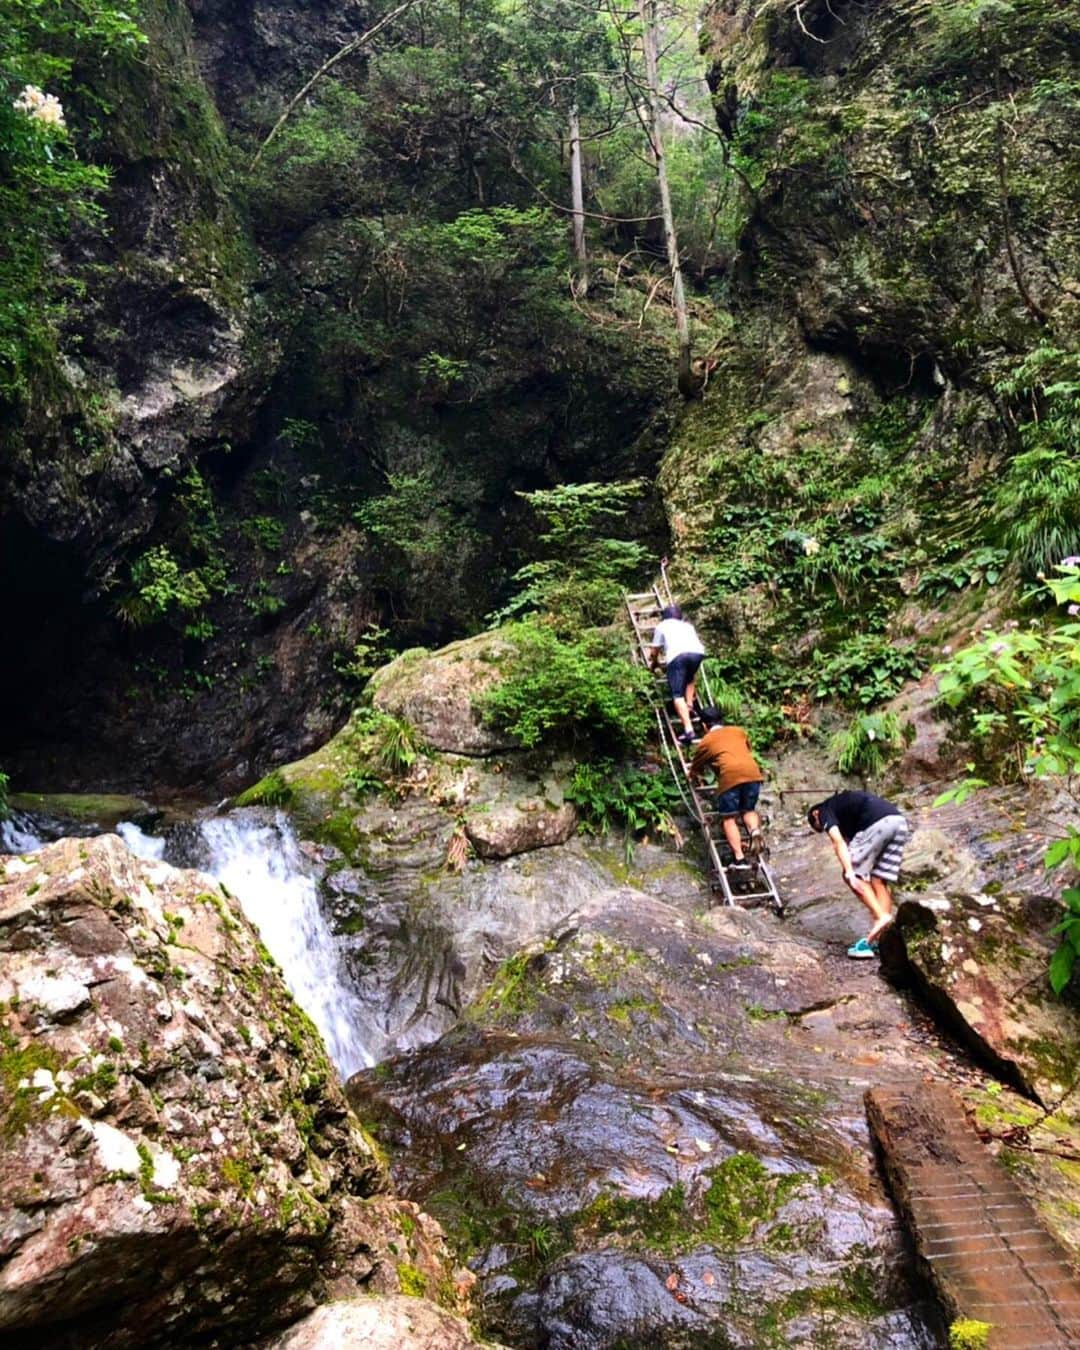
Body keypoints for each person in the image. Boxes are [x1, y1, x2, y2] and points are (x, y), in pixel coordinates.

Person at [807, 791, 911, 959]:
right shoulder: (846, 810)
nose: (824, 829)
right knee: (879, 880)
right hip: (899, 823)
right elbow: (852, 843)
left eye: (820, 827)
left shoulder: (824, 810)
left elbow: (838, 842)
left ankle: (881, 917)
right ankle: (883, 939)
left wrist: (849, 872)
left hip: (877, 824)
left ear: (815, 814)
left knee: (853, 874)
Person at [688, 709, 765, 870]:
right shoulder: (738, 731)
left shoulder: (706, 741)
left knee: (729, 818)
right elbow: (747, 750)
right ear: (721, 720)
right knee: (748, 809)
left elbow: (696, 767)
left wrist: (693, 776)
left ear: (704, 725)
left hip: (730, 777)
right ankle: (755, 831)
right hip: (753, 773)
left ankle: (739, 858)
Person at [647, 604, 705, 746]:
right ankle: (690, 706)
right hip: (697, 653)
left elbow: (654, 651)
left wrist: (653, 663)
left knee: (677, 695)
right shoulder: (688, 626)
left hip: (678, 656)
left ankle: (688, 730)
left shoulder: (662, 626)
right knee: (690, 677)